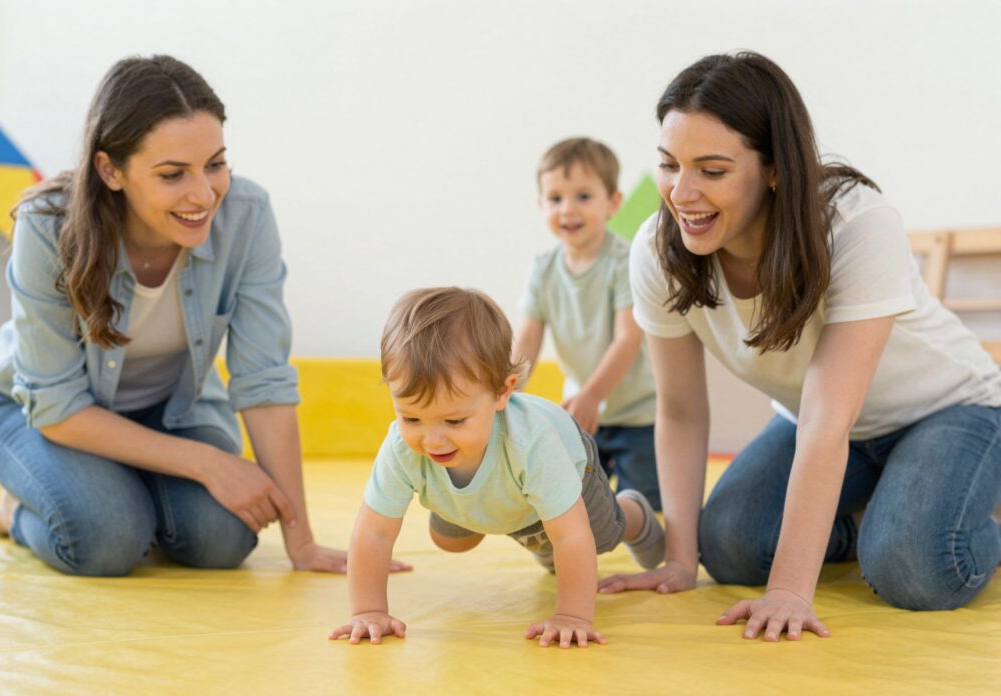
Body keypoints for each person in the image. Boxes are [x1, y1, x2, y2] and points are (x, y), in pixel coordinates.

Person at [598, 52, 1001, 640]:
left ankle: (933, 518)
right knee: (728, 546)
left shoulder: (857, 224)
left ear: (775, 170)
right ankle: (883, 512)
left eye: (711, 171)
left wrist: (789, 589)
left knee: (914, 567)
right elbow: (681, 410)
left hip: (947, 410)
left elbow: (827, 420)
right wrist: (681, 561)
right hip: (820, 425)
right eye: (668, 165)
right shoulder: (659, 249)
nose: (681, 192)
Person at [0, 54, 408, 577]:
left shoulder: (246, 216)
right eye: (172, 174)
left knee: (223, 541)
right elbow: (56, 405)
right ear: (110, 170)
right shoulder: (47, 227)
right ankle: (20, 512)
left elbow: (263, 380)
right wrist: (208, 464)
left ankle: (118, 494)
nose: (204, 194)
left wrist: (303, 544)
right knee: (107, 541)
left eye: (215, 164)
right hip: (43, 418)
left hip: (171, 411)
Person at [329, 287, 665, 648]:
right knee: (449, 542)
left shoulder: (532, 444)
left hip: (569, 470)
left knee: (587, 538)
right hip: (502, 486)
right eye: (411, 417)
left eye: (454, 421)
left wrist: (571, 615)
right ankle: (496, 509)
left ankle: (631, 514)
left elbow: (570, 536)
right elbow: (374, 532)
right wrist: (367, 610)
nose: (433, 440)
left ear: (503, 393)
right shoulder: (402, 446)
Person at [513, 137, 660, 510]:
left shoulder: (623, 260)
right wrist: (507, 391)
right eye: (556, 198)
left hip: (637, 413)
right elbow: (528, 337)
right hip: (581, 412)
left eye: (583, 196)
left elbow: (628, 338)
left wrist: (595, 393)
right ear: (540, 204)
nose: (568, 209)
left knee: (647, 503)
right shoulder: (543, 269)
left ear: (613, 202)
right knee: (573, 499)